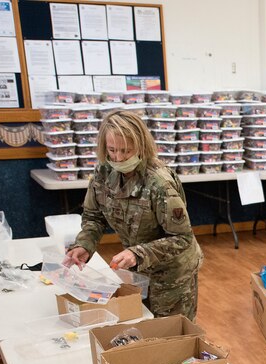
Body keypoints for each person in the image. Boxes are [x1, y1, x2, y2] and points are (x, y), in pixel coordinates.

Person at [65, 110, 202, 318]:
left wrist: (136, 253)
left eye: (126, 151)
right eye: (112, 150)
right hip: (139, 270)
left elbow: (182, 238)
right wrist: (84, 245)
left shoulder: (159, 183)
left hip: (173, 274)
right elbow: (94, 216)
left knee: (170, 335)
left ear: (141, 146)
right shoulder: (103, 173)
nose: (118, 158)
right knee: (143, 323)